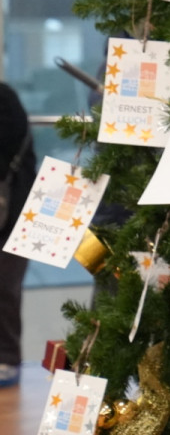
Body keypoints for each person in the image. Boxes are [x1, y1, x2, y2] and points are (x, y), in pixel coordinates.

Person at [0, 81, 37, 388]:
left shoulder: (5, 101)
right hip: (14, 209)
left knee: (5, 289)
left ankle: (7, 360)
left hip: (13, 214)